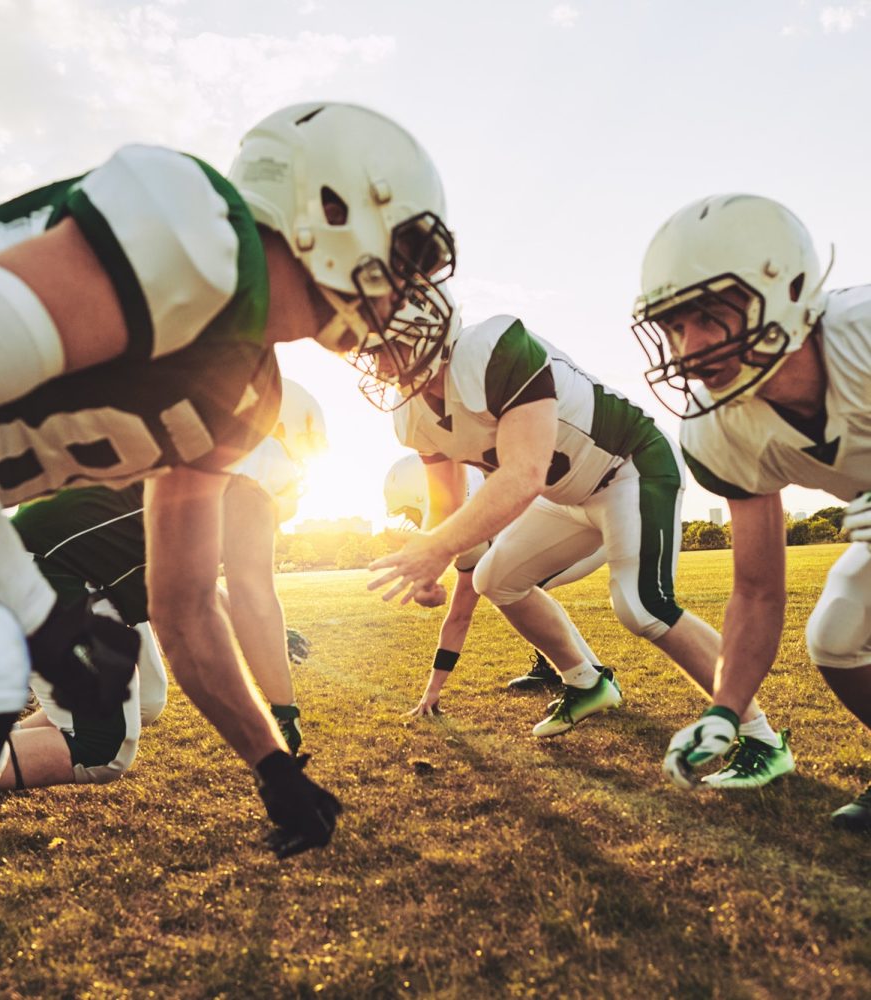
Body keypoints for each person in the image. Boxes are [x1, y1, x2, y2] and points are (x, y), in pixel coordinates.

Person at [0, 101, 457, 902]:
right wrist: (35, 614)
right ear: (329, 207)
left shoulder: (246, 389)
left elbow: (183, 605)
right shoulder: (197, 230)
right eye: (409, 251)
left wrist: (272, 764)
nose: (411, 286)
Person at [363, 307, 790, 789]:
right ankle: (586, 681)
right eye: (371, 352)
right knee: (494, 578)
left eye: (385, 348)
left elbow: (523, 473)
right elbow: (444, 503)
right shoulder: (412, 415)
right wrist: (429, 565)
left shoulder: (494, 349)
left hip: (630, 466)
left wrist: (436, 549)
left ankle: (761, 737)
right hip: (565, 495)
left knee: (642, 606)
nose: (379, 367)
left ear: (428, 333)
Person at [632, 192, 871, 830]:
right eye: (674, 326)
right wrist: (724, 709)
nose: (689, 346)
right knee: (837, 637)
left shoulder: (863, 335)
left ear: (787, 289)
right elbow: (759, 591)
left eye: (708, 316)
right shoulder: (717, 428)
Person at [0, 380, 322, 790]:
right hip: (52, 571)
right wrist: (283, 712)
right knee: (102, 747)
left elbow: (196, 591)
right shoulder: (254, 461)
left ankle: (0, 745)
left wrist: (265, 634)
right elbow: (253, 593)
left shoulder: (197, 448)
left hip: (73, 571)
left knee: (146, 698)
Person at [383, 453, 606, 713]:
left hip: (591, 534)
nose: (411, 522)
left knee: (514, 587)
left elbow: (458, 618)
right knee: (512, 584)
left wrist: (433, 689)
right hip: (595, 522)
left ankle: (593, 675)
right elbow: (458, 618)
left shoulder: (476, 523)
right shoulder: (483, 492)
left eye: (410, 512)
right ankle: (566, 668)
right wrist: (432, 690)